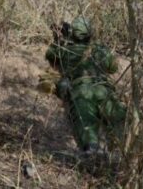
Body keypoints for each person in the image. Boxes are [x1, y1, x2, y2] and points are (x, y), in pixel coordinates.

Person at [43, 16, 127, 155]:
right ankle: (127, 154)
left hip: (80, 93)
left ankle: (93, 158)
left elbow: (50, 55)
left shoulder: (66, 50)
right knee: (120, 123)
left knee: (86, 130)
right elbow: (112, 68)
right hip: (104, 90)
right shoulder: (99, 49)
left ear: (73, 34)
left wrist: (57, 39)